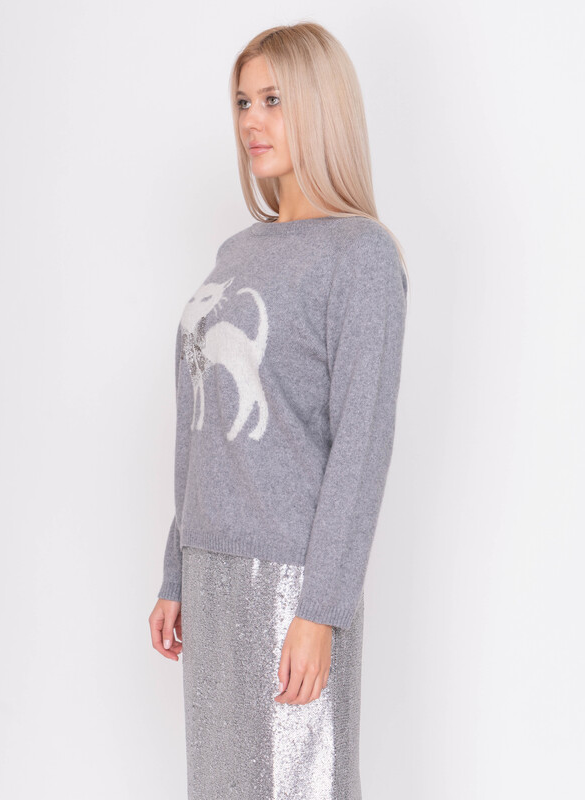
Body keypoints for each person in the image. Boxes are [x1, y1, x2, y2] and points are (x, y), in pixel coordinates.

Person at [148, 21, 409, 800]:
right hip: (210, 571)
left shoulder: (361, 254)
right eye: (242, 102)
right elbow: (203, 423)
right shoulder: (236, 252)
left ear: (321, 107)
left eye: (273, 100)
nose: (251, 121)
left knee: (301, 784)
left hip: (289, 582)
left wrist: (320, 609)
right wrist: (175, 569)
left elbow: (362, 443)